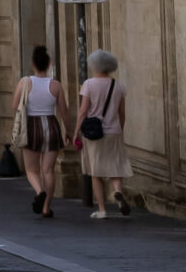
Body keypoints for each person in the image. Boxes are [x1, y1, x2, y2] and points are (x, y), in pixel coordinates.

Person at [14, 45, 70, 219]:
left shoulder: (25, 83)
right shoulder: (56, 86)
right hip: (51, 126)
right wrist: (68, 131)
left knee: (32, 170)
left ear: (33, 64)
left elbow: (15, 106)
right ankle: (46, 208)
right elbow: (64, 112)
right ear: (49, 65)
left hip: (31, 127)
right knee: (48, 171)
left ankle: (39, 192)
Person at [78, 49, 131, 219]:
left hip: (94, 133)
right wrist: (120, 129)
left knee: (96, 172)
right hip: (114, 131)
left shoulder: (89, 84)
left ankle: (102, 209)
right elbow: (122, 113)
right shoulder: (119, 86)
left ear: (94, 65)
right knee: (115, 167)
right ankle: (117, 191)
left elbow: (83, 111)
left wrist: (75, 132)